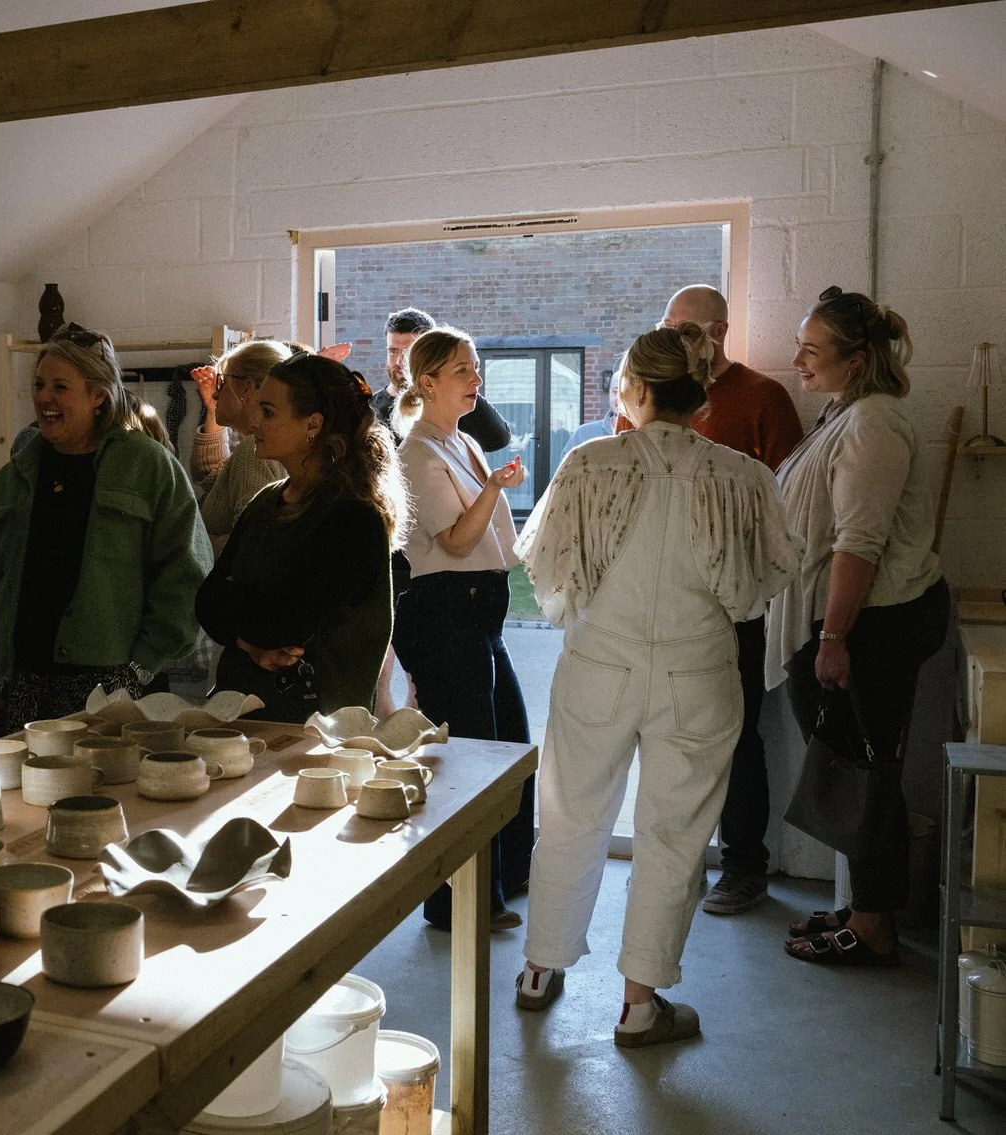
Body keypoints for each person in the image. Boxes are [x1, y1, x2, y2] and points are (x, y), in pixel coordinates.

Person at [512, 323, 800, 1047]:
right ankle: (640, 1005)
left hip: (598, 667)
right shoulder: (741, 475)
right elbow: (762, 584)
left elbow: (547, 568)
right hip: (698, 671)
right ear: (698, 392)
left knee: (572, 815)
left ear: (634, 389)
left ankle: (539, 971)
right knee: (673, 835)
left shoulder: (589, 463)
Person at [770, 287, 949, 968]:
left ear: (856, 358)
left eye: (812, 351)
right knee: (851, 767)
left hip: (876, 623)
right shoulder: (844, 412)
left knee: (866, 773)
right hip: (858, 620)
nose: (797, 360)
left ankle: (875, 928)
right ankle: (865, 908)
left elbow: (859, 543)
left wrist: (834, 638)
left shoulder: (873, 424)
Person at [0, 324, 212, 735]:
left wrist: (139, 669)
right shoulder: (15, 477)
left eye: (61, 387)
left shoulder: (148, 467)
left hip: (117, 686)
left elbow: (187, 577)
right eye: (39, 384)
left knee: (118, 796)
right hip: (25, 681)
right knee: (31, 798)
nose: (45, 397)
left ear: (98, 395)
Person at [655, 285, 806, 917]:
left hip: (736, 607)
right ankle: (675, 860)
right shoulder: (650, 393)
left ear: (720, 331)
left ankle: (744, 866)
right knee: (669, 734)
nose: (679, 338)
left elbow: (788, 504)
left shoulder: (761, 397)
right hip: (663, 602)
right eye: (670, 326)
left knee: (739, 737)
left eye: (690, 329)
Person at [391, 327, 533, 932]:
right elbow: (457, 541)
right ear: (426, 383)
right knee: (469, 758)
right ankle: (457, 903)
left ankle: (507, 878)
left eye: (476, 369)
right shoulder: (416, 454)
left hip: (479, 613)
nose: (477, 381)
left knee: (508, 744)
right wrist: (497, 487)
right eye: (463, 372)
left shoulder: (459, 443)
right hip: (444, 614)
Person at [196, 353, 408, 722]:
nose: (254, 422)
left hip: (316, 733)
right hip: (247, 719)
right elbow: (206, 602)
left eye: (268, 412)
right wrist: (250, 641)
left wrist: (242, 611)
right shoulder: (267, 501)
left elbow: (286, 624)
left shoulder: (353, 518)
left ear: (313, 424)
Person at [190, 340, 290, 551]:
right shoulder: (264, 445)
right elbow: (215, 479)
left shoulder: (256, 450)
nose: (216, 393)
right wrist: (212, 411)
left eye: (222, 383)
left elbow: (247, 549)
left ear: (246, 388)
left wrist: (198, 540)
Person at [372, 308, 511, 451]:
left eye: (410, 351)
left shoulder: (452, 402)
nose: (400, 361)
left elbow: (498, 439)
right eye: (393, 351)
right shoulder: (367, 408)